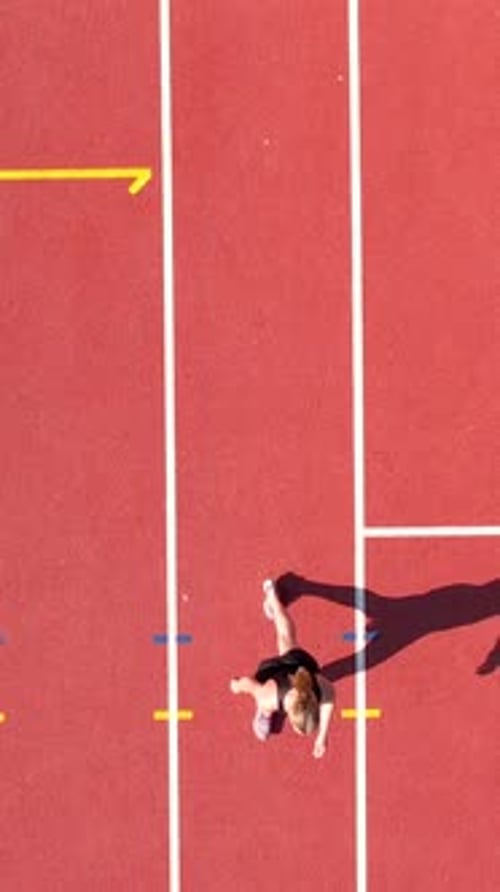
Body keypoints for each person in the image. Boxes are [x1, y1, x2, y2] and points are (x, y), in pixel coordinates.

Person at [230, 579, 335, 758]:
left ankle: (273, 598)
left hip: (300, 666)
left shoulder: (321, 688)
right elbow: (251, 685)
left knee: (287, 639)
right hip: (274, 675)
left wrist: (322, 736)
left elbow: (329, 702)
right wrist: (237, 686)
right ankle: (264, 714)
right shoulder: (268, 697)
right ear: (292, 720)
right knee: (265, 705)